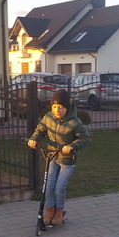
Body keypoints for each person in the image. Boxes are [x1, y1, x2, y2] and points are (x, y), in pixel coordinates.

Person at [27, 89, 91, 226]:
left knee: (59, 187)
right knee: (49, 186)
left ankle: (59, 212)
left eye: (61, 107)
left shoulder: (75, 122)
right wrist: (34, 139)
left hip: (67, 160)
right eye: (55, 106)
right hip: (52, 156)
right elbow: (40, 130)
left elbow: (85, 139)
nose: (57, 110)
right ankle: (49, 210)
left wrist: (72, 146)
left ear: (67, 107)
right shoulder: (48, 117)